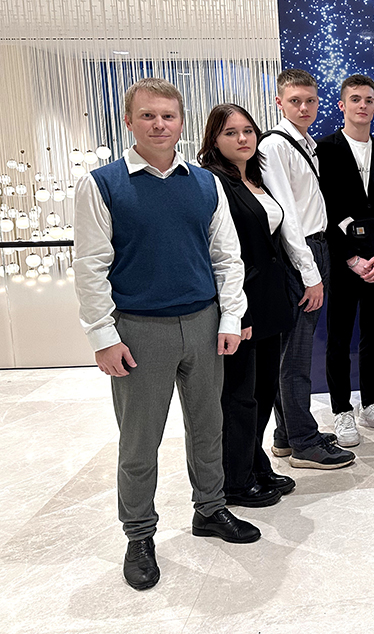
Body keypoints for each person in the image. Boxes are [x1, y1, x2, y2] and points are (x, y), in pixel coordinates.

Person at [73, 78, 260, 592]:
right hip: (138, 330)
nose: (159, 125)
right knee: (139, 441)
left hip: (202, 322)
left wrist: (229, 318)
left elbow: (226, 257)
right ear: (129, 122)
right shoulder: (102, 184)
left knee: (208, 427)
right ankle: (139, 535)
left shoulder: (205, 184)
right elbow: (90, 266)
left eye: (168, 116)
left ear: (181, 122)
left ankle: (211, 509)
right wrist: (103, 335)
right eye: (148, 115)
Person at [198, 103, 298, 509]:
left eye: (247, 130)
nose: (242, 138)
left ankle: (255, 464)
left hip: (270, 300)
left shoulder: (254, 178)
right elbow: (219, 254)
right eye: (230, 132)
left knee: (263, 390)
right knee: (239, 397)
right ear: (214, 140)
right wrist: (235, 312)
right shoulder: (213, 183)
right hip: (241, 304)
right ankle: (234, 481)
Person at [259, 69, 353, 469]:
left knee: (294, 349)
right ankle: (303, 441)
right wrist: (310, 273)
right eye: (295, 101)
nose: (304, 107)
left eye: (310, 100)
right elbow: (286, 217)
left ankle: (287, 433)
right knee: (295, 356)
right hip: (301, 253)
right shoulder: (274, 146)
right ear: (279, 102)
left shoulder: (307, 143)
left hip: (317, 246)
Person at [317, 74, 374, 446]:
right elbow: (323, 211)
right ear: (342, 105)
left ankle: (371, 404)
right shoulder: (324, 150)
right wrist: (351, 259)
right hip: (343, 263)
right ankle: (342, 410)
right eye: (355, 99)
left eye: (368, 99)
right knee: (339, 339)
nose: (362, 105)